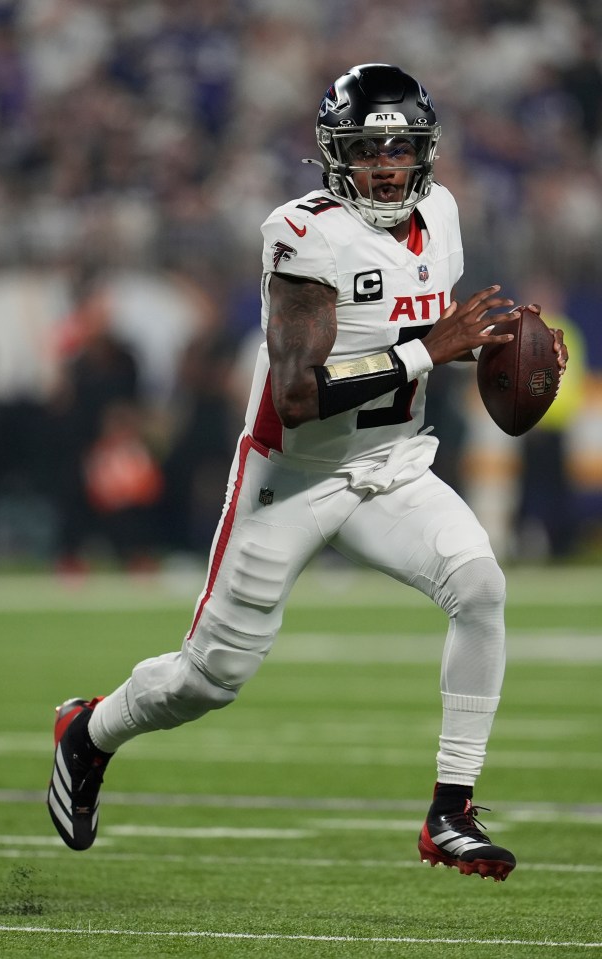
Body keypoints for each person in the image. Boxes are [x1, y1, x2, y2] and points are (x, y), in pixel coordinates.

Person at [47, 64, 568, 881]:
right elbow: (296, 397)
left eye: (403, 151)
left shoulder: (444, 213)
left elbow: (420, 351)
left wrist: (492, 354)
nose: (389, 168)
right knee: (208, 678)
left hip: (392, 465)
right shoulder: (304, 233)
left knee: (482, 586)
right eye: (368, 150)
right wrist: (433, 349)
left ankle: (451, 810)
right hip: (289, 479)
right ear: (335, 155)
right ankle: (90, 729)